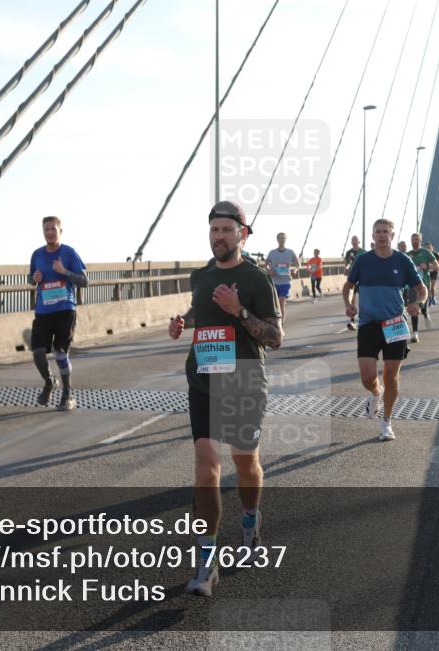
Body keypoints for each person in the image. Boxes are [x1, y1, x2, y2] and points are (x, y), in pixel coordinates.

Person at [168, 201, 282, 597]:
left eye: (226, 230)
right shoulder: (201, 276)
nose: (219, 236)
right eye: (214, 230)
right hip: (203, 381)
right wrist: (185, 322)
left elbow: (274, 336)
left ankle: (249, 521)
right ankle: (207, 562)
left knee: (245, 462)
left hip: (244, 381)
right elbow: (203, 309)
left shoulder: (257, 279)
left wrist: (239, 311)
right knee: (206, 468)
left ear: (242, 234)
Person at [343, 219, 425, 441]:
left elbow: (421, 288)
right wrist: (349, 304)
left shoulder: (403, 260)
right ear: (372, 235)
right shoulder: (362, 261)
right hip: (368, 324)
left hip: (395, 323)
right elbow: (348, 286)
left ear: (392, 234)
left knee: (391, 375)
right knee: (368, 377)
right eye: (378, 231)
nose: (381, 235)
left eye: (385, 232)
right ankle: (375, 393)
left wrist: (418, 303)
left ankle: (386, 422)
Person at [29, 216, 87, 411]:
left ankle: (67, 393)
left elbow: (84, 281)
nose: (49, 233)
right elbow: (31, 279)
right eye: (46, 229)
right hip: (43, 311)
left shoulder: (69, 253)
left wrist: (65, 272)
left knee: (61, 353)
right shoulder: (37, 254)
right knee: (37, 353)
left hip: (65, 310)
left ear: (60, 231)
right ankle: (50, 381)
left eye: (53, 229)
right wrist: (33, 279)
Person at [406, 233, 437, 343]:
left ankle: (425, 312)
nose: (414, 241)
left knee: (422, 307)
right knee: (414, 307)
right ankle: (415, 333)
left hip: (424, 284)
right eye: (413, 239)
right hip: (412, 286)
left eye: (417, 239)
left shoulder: (426, 252)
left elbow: (437, 265)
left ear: (420, 240)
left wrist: (427, 267)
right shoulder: (407, 254)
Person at [266, 233, 299, 319]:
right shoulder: (272, 253)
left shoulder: (290, 252)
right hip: (275, 281)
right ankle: (277, 319)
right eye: (280, 238)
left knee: (281, 301)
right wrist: (269, 271)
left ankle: (281, 321)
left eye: (283, 238)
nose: (282, 240)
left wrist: (295, 270)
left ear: (286, 239)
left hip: (286, 281)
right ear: (277, 240)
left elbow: (298, 264)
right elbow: (266, 264)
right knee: (275, 303)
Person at [344, 236, 365, 331]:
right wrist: (347, 268)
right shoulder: (349, 253)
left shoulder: (364, 252)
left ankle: (363, 319)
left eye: (356, 240)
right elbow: (347, 263)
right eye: (353, 240)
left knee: (363, 299)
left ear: (358, 241)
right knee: (353, 299)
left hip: (363, 277)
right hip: (353, 278)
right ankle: (352, 321)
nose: (354, 242)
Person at [425, 242, 438, 306]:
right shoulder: (424, 254)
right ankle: (429, 299)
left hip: (434, 272)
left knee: (432, 287)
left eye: (429, 247)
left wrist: (437, 268)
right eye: (427, 248)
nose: (428, 249)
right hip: (427, 272)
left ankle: (433, 297)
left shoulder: (436, 254)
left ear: (432, 248)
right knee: (428, 287)